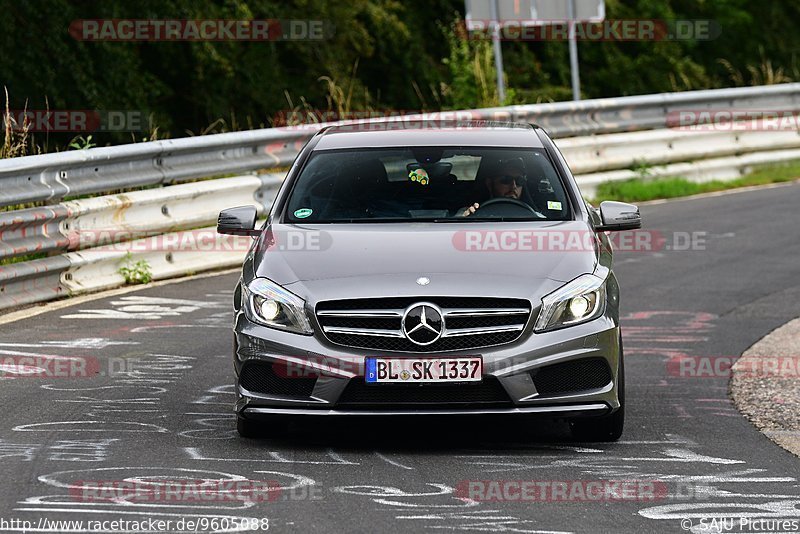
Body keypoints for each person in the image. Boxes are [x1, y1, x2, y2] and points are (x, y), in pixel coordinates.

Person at [460, 157, 528, 217]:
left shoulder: (536, 217)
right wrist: (465, 219)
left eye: (520, 181)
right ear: (489, 183)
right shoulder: (470, 212)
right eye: (506, 180)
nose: (514, 186)